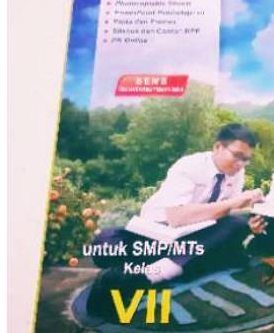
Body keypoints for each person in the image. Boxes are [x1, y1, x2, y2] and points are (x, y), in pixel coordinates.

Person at [86, 123, 263, 317]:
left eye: (246, 159)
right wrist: (234, 203)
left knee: (238, 225)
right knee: (104, 243)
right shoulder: (189, 166)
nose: (241, 164)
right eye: (237, 156)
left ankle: (146, 275)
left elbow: (225, 212)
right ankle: (183, 264)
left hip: (196, 236)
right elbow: (177, 217)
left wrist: (250, 208)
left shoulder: (236, 173)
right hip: (156, 234)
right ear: (218, 147)